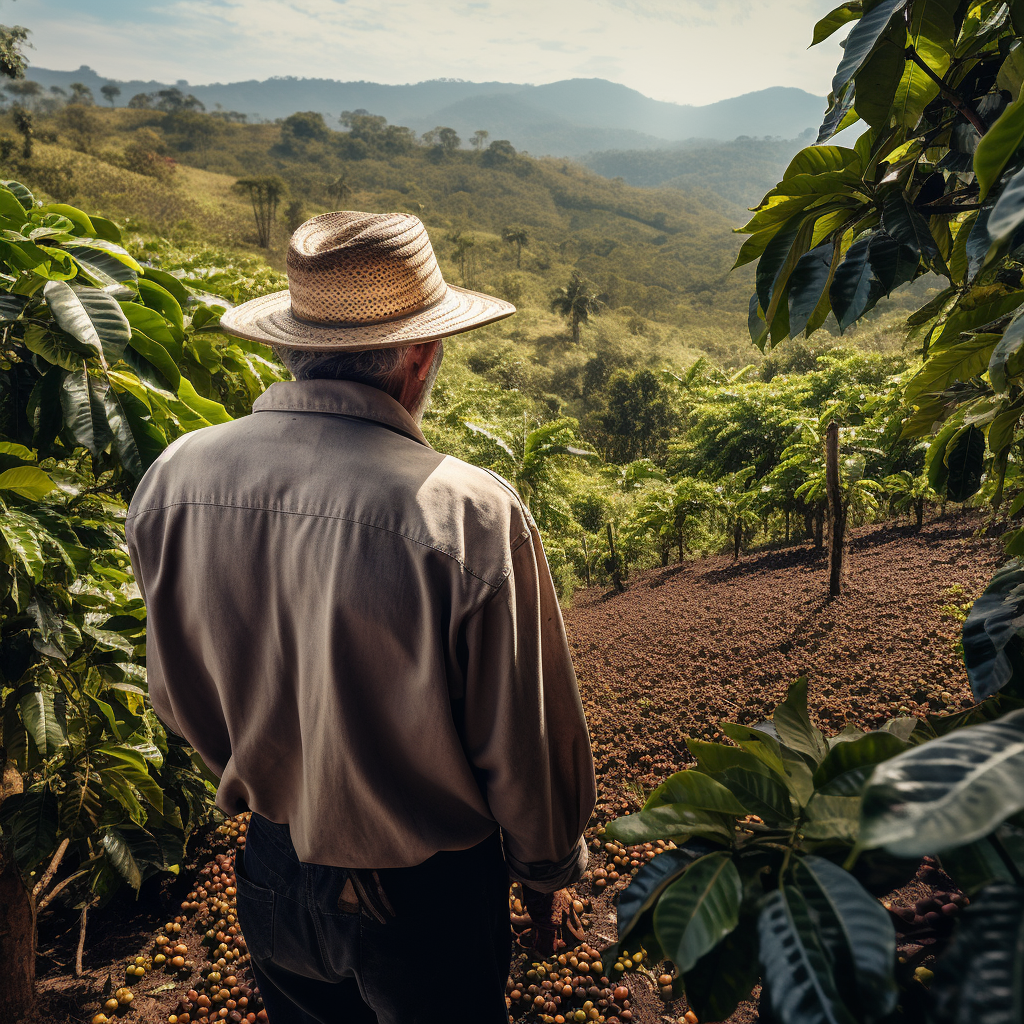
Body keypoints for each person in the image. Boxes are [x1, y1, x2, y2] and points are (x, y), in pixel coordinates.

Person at [125, 211, 597, 1024]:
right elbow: (522, 739)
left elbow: (175, 693)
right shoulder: (466, 513)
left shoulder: (176, 477)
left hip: (272, 869)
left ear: (292, 342)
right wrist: (546, 872)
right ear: (419, 356)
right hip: (426, 895)